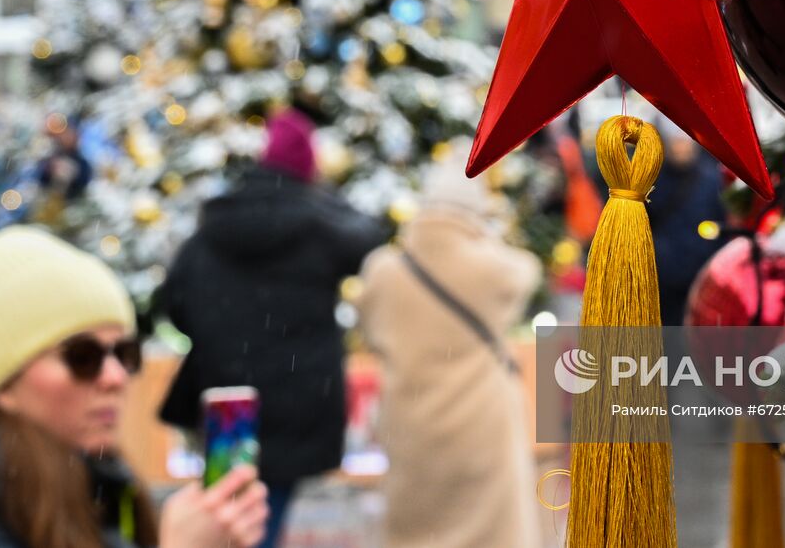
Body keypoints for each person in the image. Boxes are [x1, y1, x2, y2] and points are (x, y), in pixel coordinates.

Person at [0, 226, 269, 548]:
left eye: (124, 353)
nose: (114, 378)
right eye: (82, 357)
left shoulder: (93, 474)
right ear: (4, 383)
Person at [159, 107, 385, 548]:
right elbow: (370, 238)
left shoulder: (213, 229)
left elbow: (175, 305)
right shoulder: (320, 226)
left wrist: (224, 337)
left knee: (232, 513)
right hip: (299, 402)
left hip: (228, 401)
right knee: (258, 519)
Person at [358, 147, 542, 548]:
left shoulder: (383, 270)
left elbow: (370, 330)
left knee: (418, 535)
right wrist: (487, 234)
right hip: (481, 429)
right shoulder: (489, 267)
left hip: (410, 426)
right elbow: (528, 271)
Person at [647, 124, 729, 327]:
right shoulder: (651, 179)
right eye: (676, 143)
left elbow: (721, 224)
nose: (681, 148)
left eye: (684, 143)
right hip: (662, 277)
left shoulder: (711, 180)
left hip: (699, 273)